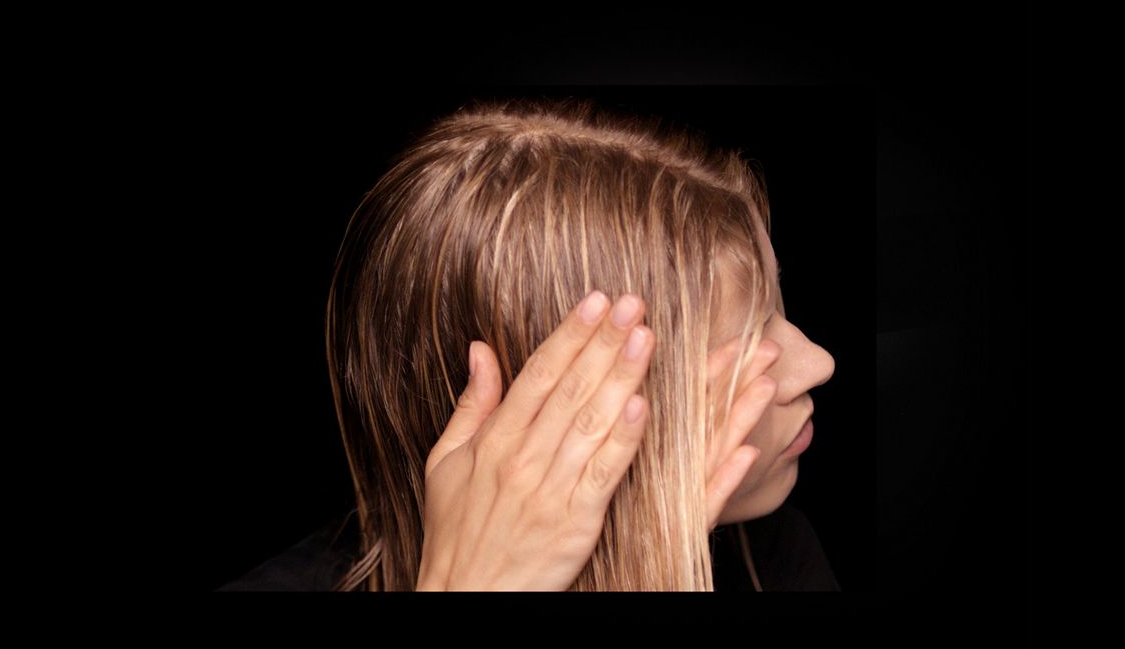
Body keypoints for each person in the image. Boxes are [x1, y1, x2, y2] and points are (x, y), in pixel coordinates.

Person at [220, 99, 838, 591]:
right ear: (557, 408)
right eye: (752, 340)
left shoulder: (774, 555)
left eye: (778, 305)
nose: (819, 363)